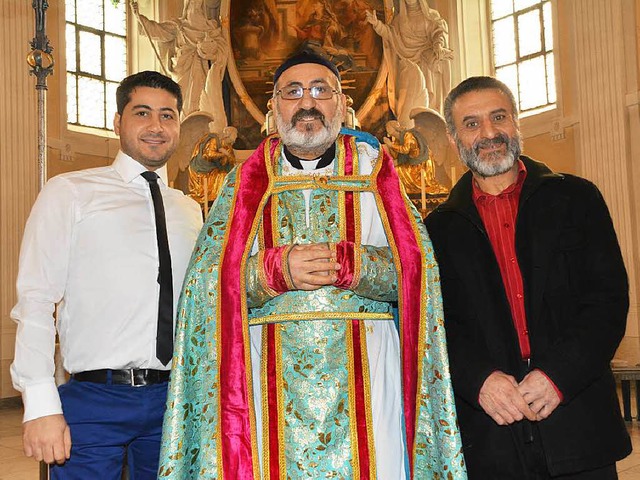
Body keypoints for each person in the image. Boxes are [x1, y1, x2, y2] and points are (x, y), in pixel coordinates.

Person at [158, 50, 466, 479]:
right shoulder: (245, 179)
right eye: (293, 92)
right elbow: (204, 286)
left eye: (321, 90)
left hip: (369, 371)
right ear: (274, 107)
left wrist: (356, 266)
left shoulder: (374, 172)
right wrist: (271, 272)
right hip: (268, 376)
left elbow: (420, 273)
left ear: (341, 104)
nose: (307, 102)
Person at [425, 76, 632, 479]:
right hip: (491, 431)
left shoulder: (577, 199)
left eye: (498, 117)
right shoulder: (436, 231)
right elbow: (437, 324)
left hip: (577, 420)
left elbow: (607, 301)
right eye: (471, 124)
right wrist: (478, 380)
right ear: (454, 142)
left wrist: (558, 376)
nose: (488, 133)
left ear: (516, 124)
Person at [10, 71, 203, 478]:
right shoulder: (71, 192)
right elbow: (36, 299)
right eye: (142, 113)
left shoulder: (189, 209)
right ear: (118, 122)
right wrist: (40, 402)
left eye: (168, 116)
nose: (156, 126)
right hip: (94, 396)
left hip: (174, 398)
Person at [132, 0, 229, 131]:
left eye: (197, 4)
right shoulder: (178, 26)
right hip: (183, 70)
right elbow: (157, 31)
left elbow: (221, 52)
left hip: (203, 71)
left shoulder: (210, 29)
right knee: (180, 99)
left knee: (203, 99)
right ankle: (181, 126)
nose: (194, 7)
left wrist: (208, 49)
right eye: (191, 4)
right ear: (186, 7)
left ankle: (202, 125)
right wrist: (139, 17)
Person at [365, 0, 453, 115]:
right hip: (408, 65)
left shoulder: (431, 16)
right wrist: (376, 24)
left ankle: (429, 124)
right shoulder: (399, 21)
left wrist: (438, 45)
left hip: (427, 63)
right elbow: (390, 35)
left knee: (428, 101)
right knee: (407, 103)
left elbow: (439, 32)